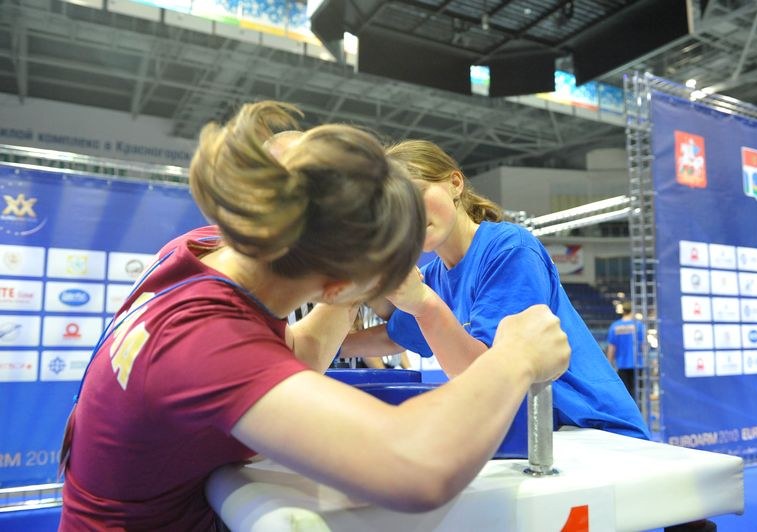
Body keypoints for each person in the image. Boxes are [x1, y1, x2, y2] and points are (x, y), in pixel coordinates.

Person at [58, 102, 571, 530]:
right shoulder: (201, 339)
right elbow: (414, 466)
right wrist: (516, 358)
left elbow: (291, 357)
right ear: (343, 285)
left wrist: (353, 274)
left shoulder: (198, 254)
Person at [342, 139, 649, 440]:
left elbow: (488, 377)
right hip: (540, 433)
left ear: (455, 183)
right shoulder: (435, 275)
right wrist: (315, 347)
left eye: (418, 193)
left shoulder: (508, 249)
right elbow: (395, 335)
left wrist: (422, 303)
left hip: (594, 428)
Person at [606, 301, 646, 399]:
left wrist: (609, 363)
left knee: (625, 394)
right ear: (632, 311)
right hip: (638, 364)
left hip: (622, 364)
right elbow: (643, 345)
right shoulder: (639, 325)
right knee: (638, 395)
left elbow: (612, 347)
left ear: (623, 311)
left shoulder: (615, 326)